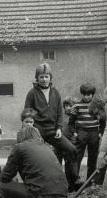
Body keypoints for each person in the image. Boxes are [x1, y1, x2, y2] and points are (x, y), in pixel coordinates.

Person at [24, 63, 80, 191]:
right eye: (41, 77)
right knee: (37, 156)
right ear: (37, 78)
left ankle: (71, 183)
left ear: (51, 78)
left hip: (53, 130)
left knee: (71, 149)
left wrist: (59, 128)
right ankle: (36, 184)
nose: (44, 79)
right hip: (37, 130)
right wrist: (32, 129)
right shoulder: (32, 93)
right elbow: (27, 113)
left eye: (47, 76)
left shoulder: (56, 93)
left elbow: (59, 113)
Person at [68, 84, 102, 184]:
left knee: (93, 157)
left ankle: (89, 181)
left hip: (94, 133)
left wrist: (100, 132)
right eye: (84, 94)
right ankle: (75, 180)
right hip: (81, 132)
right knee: (77, 157)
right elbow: (71, 123)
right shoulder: (76, 106)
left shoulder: (98, 105)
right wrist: (74, 133)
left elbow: (103, 121)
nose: (86, 97)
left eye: (89, 95)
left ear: (93, 94)